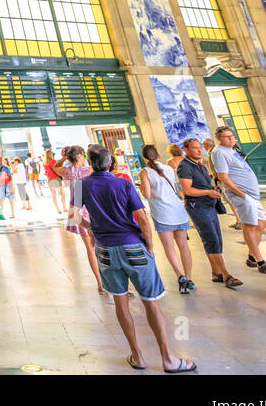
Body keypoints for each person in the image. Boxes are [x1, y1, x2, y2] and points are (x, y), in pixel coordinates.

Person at [77, 145, 196, 373]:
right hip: (133, 246)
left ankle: (137, 355)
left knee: (121, 302)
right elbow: (141, 217)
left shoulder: (81, 185)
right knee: (150, 301)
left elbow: (73, 216)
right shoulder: (123, 183)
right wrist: (149, 244)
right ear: (110, 161)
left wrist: (93, 228)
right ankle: (168, 358)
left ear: (91, 163)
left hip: (105, 250)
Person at [211, 126, 266, 276]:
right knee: (249, 225)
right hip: (242, 195)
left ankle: (251, 256)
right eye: (226, 137)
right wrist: (242, 194)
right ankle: (261, 262)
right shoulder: (219, 153)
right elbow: (224, 177)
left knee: (261, 224)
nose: (231, 138)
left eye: (231, 136)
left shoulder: (232, 150)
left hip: (251, 195)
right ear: (219, 138)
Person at [177, 138, 241, 288]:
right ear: (186, 150)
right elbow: (187, 190)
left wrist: (214, 189)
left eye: (200, 147)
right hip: (198, 207)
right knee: (211, 239)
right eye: (195, 148)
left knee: (216, 239)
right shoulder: (185, 167)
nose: (199, 150)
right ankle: (226, 274)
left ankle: (216, 272)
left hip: (209, 205)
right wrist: (208, 192)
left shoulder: (200, 165)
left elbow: (203, 184)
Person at [137, 147, 194, 294]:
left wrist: (142, 188)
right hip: (178, 210)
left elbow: (148, 195)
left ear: (144, 158)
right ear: (158, 155)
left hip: (162, 213)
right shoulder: (168, 168)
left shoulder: (145, 171)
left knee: (169, 247)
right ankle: (189, 278)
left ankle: (181, 277)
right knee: (183, 246)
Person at [59, 146, 104, 295]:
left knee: (90, 249)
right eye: (83, 155)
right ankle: (109, 281)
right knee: (103, 246)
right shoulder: (89, 171)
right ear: (79, 156)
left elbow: (55, 167)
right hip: (92, 210)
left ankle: (100, 283)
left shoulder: (67, 171)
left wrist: (64, 157)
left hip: (78, 212)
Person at [43, 150, 65, 214]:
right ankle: (64, 207)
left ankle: (58, 209)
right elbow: (58, 170)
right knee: (62, 193)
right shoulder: (54, 161)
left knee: (53, 194)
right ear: (51, 155)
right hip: (56, 179)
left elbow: (46, 172)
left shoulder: (44, 163)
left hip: (49, 179)